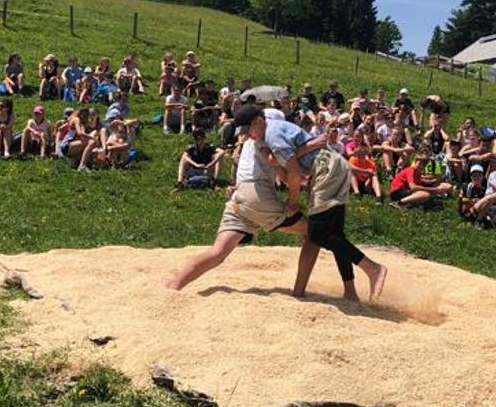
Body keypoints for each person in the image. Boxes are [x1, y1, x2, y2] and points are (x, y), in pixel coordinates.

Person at [242, 106, 387, 301]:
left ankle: (373, 269)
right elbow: (286, 169)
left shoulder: (272, 134)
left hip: (325, 169)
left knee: (318, 233)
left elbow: (293, 171)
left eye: (248, 130)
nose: (247, 136)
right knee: (334, 234)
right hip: (331, 167)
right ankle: (350, 291)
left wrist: (292, 202)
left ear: (258, 122)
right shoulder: (270, 133)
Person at [165, 125, 315, 294]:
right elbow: (280, 165)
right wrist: (313, 145)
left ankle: (174, 286)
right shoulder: (266, 140)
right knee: (314, 232)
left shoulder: (248, 143)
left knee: (217, 253)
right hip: (258, 197)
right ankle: (300, 291)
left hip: (238, 198)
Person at [389, 147, 453, 208]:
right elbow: (413, 185)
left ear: (431, 153)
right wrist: (433, 188)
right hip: (399, 191)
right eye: (423, 152)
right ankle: (400, 203)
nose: (425, 155)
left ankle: (419, 200)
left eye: (427, 152)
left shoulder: (437, 162)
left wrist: (433, 183)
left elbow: (437, 178)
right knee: (425, 194)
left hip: (425, 183)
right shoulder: (413, 168)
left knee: (447, 186)